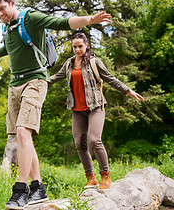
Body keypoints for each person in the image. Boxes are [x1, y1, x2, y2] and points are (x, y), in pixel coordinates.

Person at [0, 0, 112, 209]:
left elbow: (61, 23)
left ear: (12, 2)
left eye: (2, 9)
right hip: (14, 84)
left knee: (24, 131)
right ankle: (38, 188)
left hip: (35, 81)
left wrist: (90, 19)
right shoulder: (8, 27)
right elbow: (6, 48)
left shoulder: (31, 18)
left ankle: (20, 190)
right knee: (22, 136)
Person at [50, 32, 145, 190]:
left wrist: (128, 90)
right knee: (79, 143)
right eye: (75, 46)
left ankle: (105, 175)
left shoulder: (94, 62)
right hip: (77, 109)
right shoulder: (69, 64)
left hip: (96, 107)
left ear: (86, 45)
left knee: (94, 140)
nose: (78, 49)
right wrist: (38, 82)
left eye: (80, 46)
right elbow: (55, 78)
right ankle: (91, 178)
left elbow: (110, 78)